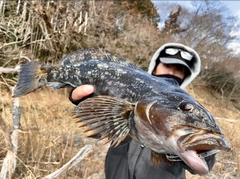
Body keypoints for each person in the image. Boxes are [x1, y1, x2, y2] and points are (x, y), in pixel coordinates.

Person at [69, 43, 216, 179]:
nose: (171, 72)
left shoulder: (192, 111)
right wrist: (88, 106)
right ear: (154, 66)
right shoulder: (123, 92)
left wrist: (196, 149)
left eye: (179, 69)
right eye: (166, 65)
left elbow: (206, 166)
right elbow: (100, 133)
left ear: (186, 76)